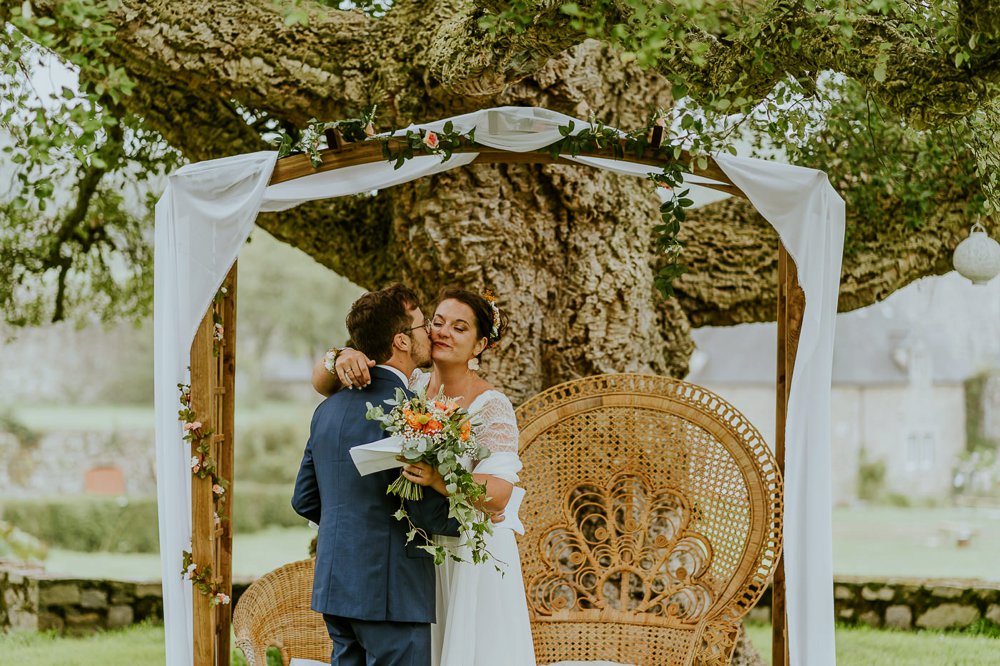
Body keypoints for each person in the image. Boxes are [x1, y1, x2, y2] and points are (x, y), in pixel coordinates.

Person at [313, 288, 536, 666]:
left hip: (466, 556)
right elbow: (322, 384)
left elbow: (498, 495)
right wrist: (341, 356)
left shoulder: (491, 405)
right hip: (413, 554)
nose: (443, 332)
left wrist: (439, 480)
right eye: (438, 322)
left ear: (480, 344)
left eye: (460, 328)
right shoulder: (410, 384)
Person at [292, 284, 457, 666]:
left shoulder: (327, 410)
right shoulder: (411, 413)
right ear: (401, 340)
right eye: (422, 326)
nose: (431, 333)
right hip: (391, 592)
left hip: (337, 586)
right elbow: (425, 510)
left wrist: (354, 530)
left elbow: (303, 499)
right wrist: (472, 513)